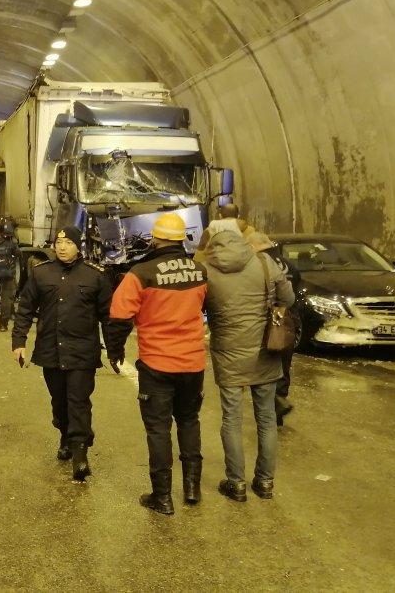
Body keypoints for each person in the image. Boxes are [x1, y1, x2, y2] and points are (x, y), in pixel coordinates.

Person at [110, 213, 208, 515]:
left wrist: (115, 353)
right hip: (193, 363)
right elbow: (205, 308)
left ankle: (162, 497)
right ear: (181, 239)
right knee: (189, 421)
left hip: (157, 364)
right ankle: (192, 489)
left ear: (156, 238)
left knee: (158, 429)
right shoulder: (199, 270)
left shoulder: (141, 273)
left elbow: (119, 318)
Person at [13, 227, 126, 480]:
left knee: (79, 402)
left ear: (78, 246)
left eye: (68, 242)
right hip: (50, 351)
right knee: (59, 402)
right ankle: (65, 434)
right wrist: (18, 341)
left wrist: (114, 350)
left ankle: (80, 454)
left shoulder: (95, 276)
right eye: (58, 242)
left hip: (82, 353)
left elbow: (108, 317)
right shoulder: (41, 274)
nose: (62, 247)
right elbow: (25, 309)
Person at [201, 231, 294, 502]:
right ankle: (265, 482)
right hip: (264, 349)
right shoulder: (265, 263)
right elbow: (287, 300)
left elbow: (198, 306)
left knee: (232, 418)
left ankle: (236, 483)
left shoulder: (206, 270)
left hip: (228, 349)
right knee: (266, 418)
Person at [247, 232, 303, 426]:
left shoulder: (259, 264)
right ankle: (280, 400)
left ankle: (273, 406)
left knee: (265, 361)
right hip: (286, 318)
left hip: (269, 316)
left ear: (255, 247)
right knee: (283, 361)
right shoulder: (290, 265)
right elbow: (291, 295)